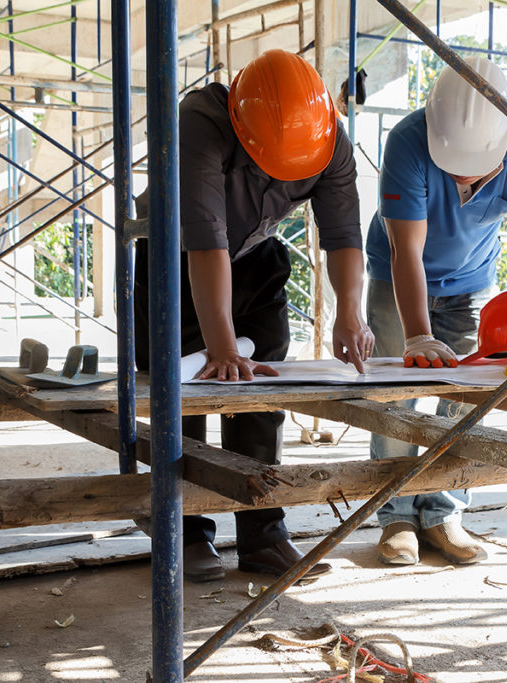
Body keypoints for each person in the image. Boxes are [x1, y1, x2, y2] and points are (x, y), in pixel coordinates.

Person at [133, 49, 374, 582]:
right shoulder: (200, 120)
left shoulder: (328, 137)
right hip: (175, 255)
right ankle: (185, 532)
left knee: (262, 392)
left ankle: (262, 533)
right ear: (244, 128)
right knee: (185, 394)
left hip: (254, 253)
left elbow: (342, 237)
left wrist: (350, 315)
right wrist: (220, 346)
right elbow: (204, 240)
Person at [365, 56, 507, 566]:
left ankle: (444, 512)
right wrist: (416, 338)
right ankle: (397, 518)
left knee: (468, 399)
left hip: (472, 281)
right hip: (396, 277)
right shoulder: (409, 140)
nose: (465, 178)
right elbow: (406, 249)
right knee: (395, 399)